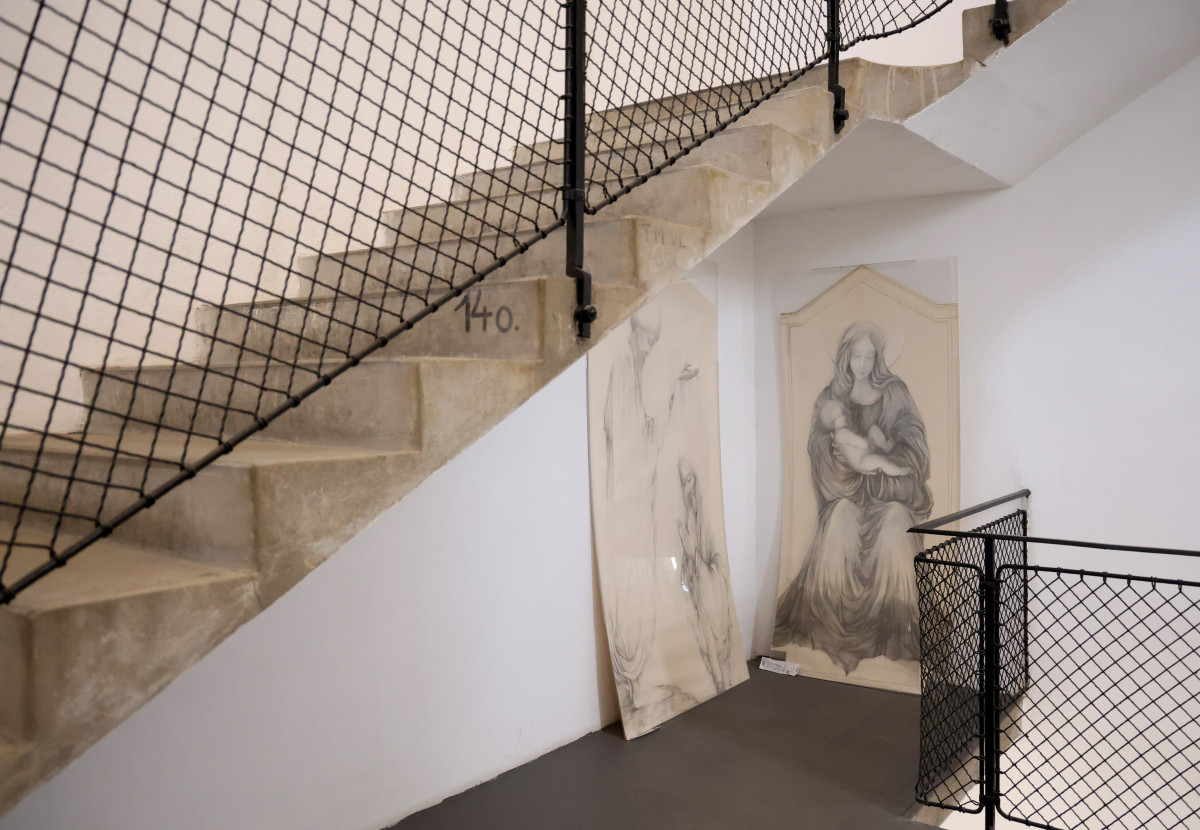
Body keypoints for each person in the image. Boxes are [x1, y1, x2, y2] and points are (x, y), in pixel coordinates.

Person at [774, 321, 933, 675]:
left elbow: (915, 444)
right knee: (840, 518)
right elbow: (817, 446)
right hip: (847, 491)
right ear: (845, 355)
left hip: (886, 493)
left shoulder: (895, 393)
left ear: (878, 357)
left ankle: (895, 626)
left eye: (869, 356)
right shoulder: (831, 396)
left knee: (896, 524)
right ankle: (830, 621)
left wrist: (888, 457)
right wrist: (837, 454)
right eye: (855, 355)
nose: (861, 363)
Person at [818, 399, 912, 478]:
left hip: (864, 453)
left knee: (873, 429)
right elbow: (863, 445)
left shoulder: (837, 434)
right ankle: (900, 471)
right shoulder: (843, 434)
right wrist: (867, 441)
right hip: (862, 460)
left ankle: (885, 447)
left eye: (842, 414)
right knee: (881, 461)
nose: (843, 418)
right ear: (832, 422)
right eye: (838, 417)